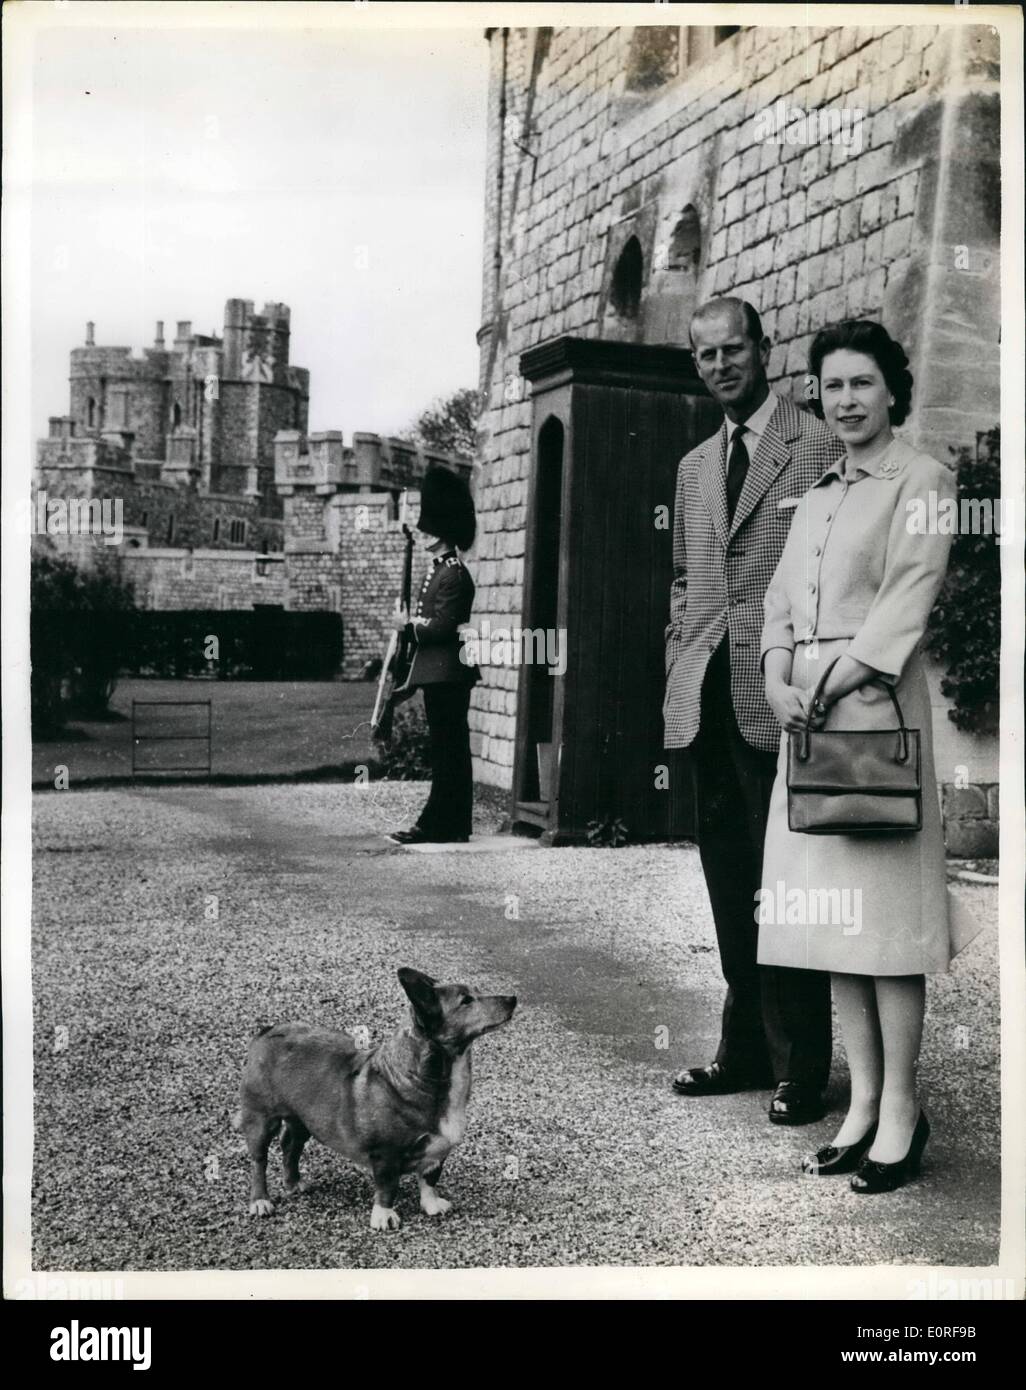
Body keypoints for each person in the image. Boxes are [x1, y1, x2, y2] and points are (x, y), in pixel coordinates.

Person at [758, 319, 956, 1192]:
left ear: (892, 390)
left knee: (888, 930)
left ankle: (904, 1112)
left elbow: (906, 603)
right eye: (832, 386)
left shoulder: (924, 478)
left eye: (862, 384)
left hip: (872, 715)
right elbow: (777, 604)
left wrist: (832, 679)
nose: (845, 401)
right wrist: (774, 678)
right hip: (807, 722)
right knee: (838, 926)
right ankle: (865, 1105)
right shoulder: (821, 489)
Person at [664, 297, 842, 1125]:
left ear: (764, 350)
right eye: (705, 356)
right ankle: (744, 1052)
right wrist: (678, 656)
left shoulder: (814, 443)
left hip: (782, 697)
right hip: (707, 699)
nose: (721, 366)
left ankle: (804, 1065)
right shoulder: (695, 465)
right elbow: (687, 584)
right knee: (731, 884)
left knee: (792, 887)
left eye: (733, 350)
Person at [387, 467, 479, 846]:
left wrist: (408, 626)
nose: (424, 534)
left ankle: (443, 822)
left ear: (443, 533)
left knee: (449, 749)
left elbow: (441, 626)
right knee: (444, 748)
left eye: (430, 528)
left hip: (449, 671)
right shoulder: (440, 570)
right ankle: (448, 821)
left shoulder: (454, 574)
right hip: (437, 670)